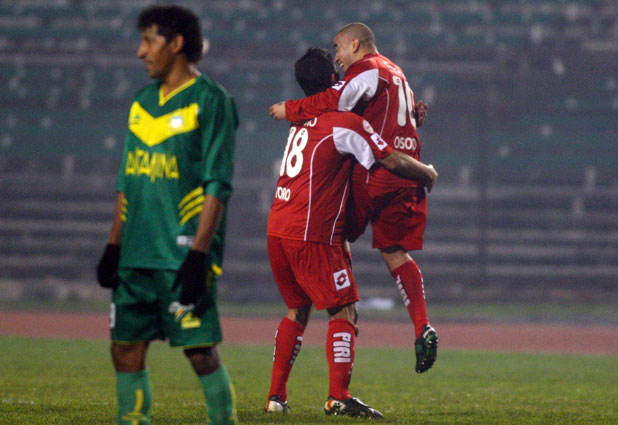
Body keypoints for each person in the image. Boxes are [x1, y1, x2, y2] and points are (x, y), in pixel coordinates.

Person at [265, 47, 437, 419]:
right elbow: (389, 159)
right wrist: (425, 172)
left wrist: (407, 117)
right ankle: (338, 397)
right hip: (312, 233)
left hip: (278, 226)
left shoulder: (301, 122)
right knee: (345, 310)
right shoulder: (343, 123)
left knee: (297, 309)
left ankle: (276, 397)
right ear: (334, 81)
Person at [95, 5, 238, 425]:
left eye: (148, 41)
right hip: (135, 253)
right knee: (124, 347)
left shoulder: (211, 100)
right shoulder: (141, 102)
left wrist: (199, 254)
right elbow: (127, 180)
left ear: (176, 43)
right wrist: (113, 244)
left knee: (200, 352)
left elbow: (217, 184)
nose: (140, 52)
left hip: (181, 254)